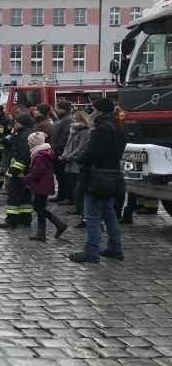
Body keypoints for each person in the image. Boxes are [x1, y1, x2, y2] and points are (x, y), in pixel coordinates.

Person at [69, 97, 127, 263]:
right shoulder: (117, 127)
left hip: (97, 177)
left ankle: (91, 251)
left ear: (100, 111)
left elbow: (94, 153)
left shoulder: (102, 129)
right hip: (113, 174)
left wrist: (80, 158)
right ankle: (115, 248)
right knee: (109, 213)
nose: (92, 113)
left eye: (94, 110)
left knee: (92, 216)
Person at [23, 132, 68, 242]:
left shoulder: (39, 155)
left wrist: (26, 179)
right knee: (39, 207)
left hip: (42, 184)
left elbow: (37, 171)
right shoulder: (40, 154)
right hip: (43, 184)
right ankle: (57, 225)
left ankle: (44, 231)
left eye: (29, 142)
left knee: (39, 207)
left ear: (34, 143)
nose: (28, 143)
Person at [0, 113, 33, 229]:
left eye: (17, 122)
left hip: (19, 173)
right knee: (24, 198)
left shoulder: (25, 135)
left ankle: (11, 221)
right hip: (23, 172)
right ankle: (25, 219)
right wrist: (7, 143)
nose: (15, 123)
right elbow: (15, 149)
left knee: (13, 196)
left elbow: (23, 155)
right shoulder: (21, 134)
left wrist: (15, 169)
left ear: (22, 123)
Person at [60, 110, 91, 218]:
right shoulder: (73, 130)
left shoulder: (85, 131)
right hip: (69, 160)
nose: (73, 119)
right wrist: (65, 154)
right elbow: (68, 144)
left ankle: (79, 206)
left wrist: (70, 156)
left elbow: (81, 147)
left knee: (77, 184)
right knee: (72, 183)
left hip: (76, 161)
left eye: (75, 117)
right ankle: (76, 204)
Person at [49, 100, 74, 204]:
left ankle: (68, 196)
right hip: (56, 151)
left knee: (64, 175)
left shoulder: (68, 119)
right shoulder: (60, 119)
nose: (56, 110)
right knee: (59, 175)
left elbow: (65, 135)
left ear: (65, 109)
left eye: (59, 108)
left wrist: (59, 147)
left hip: (61, 152)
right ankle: (61, 194)